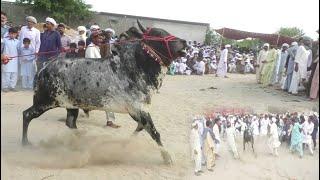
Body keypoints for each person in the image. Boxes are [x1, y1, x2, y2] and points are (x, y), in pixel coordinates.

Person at [1, 27, 20, 92]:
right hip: (6, 60)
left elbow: (20, 51)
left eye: (14, 34)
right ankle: (5, 87)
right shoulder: (4, 40)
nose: (12, 35)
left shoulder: (18, 42)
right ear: (8, 33)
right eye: (11, 33)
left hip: (15, 60)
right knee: (6, 73)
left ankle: (12, 86)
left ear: (16, 34)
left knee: (14, 74)